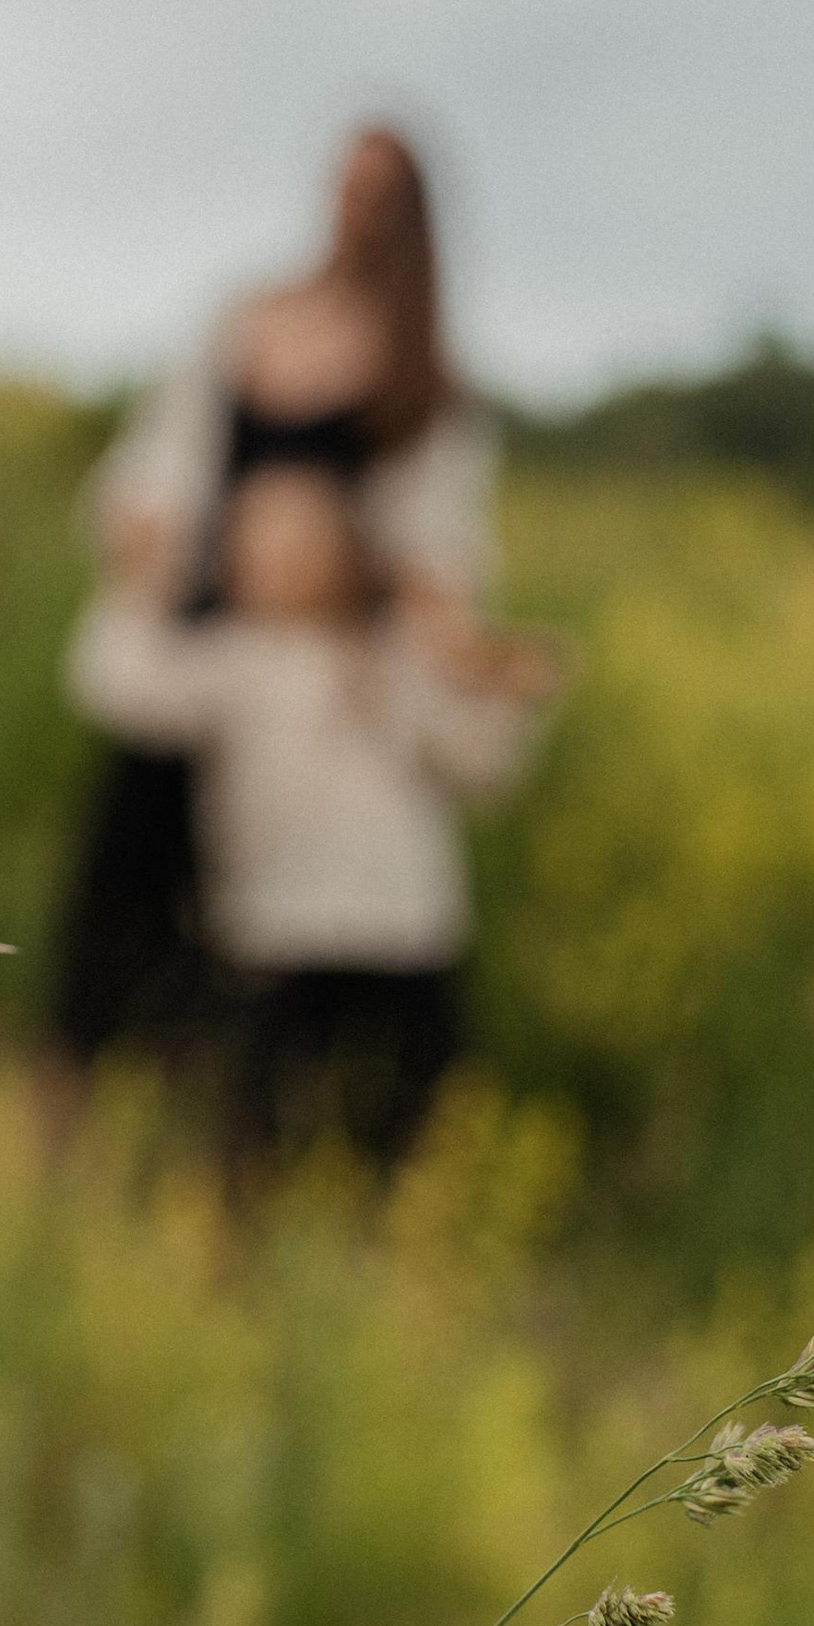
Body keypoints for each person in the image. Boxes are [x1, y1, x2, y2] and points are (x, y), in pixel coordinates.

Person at [49, 124, 497, 1068]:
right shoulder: (248, 319)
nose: (353, 205)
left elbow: (434, 546)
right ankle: (91, 1073)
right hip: (201, 634)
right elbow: (160, 463)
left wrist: (431, 632)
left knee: (329, 902)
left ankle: (282, 1096)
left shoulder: (424, 375)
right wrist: (144, 529)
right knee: (129, 867)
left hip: (327, 668)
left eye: (378, 190)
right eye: (347, 182)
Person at [65, 464, 556, 1169]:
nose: (279, 551)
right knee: (266, 1133)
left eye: (302, 532)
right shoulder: (234, 662)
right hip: (275, 932)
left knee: (414, 1131)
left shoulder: (394, 661)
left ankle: (398, 1255)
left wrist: (489, 685)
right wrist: (137, 587)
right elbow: (123, 689)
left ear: (352, 551)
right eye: (256, 534)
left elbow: (480, 768)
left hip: (404, 935)